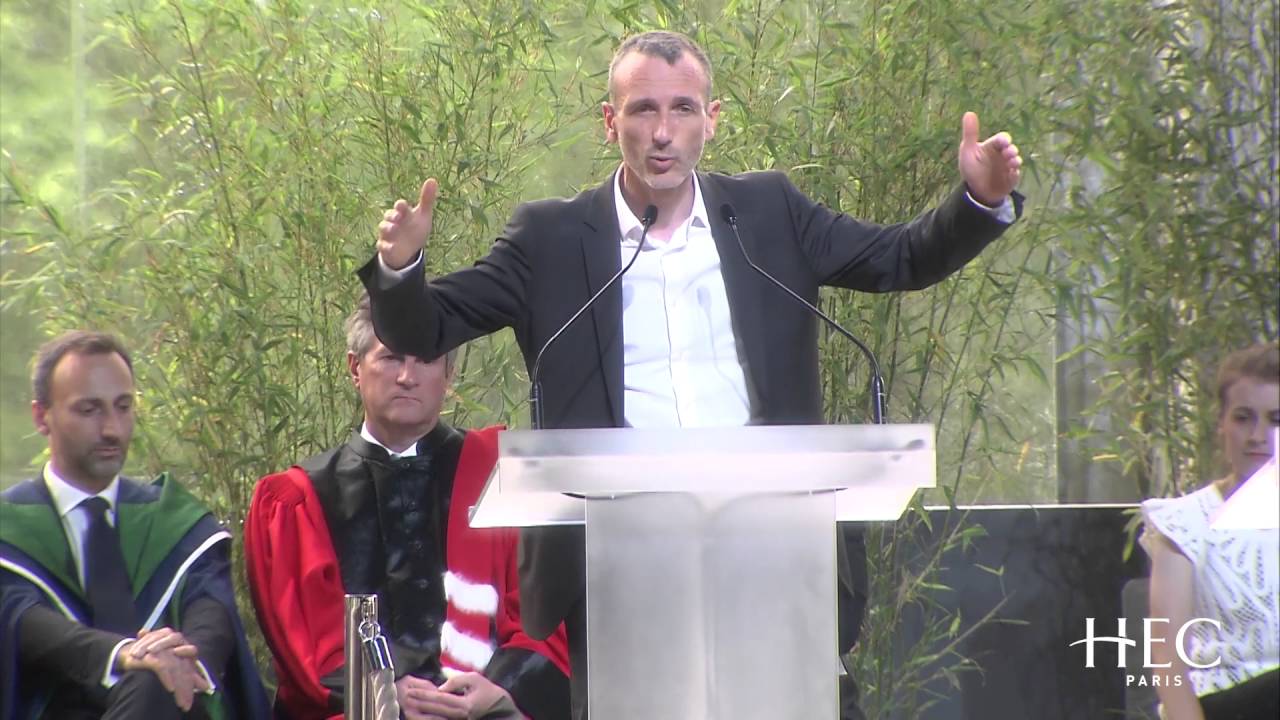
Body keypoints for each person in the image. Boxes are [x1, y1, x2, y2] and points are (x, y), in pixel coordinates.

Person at [358, 30, 1023, 719]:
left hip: (771, 536)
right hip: (619, 548)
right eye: (643, 110)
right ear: (610, 121)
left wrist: (976, 201)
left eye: (683, 109)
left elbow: (901, 259)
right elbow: (424, 329)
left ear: (713, 118)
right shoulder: (551, 238)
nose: (663, 133)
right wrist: (401, 269)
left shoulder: (768, 214)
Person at [244, 294, 571, 720]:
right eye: (390, 358)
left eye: (426, 360)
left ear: (449, 372)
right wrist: (384, 695)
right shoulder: (298, 500)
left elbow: (540, 620)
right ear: (353, 368)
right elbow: (306, 649)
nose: (407, 376)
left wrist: (499, 690)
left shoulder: (499, 476)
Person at [0, 331, 269, 719]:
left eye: (123, 407)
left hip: (168, 705)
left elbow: (212, 613)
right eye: (89, 410)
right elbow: (25, 624)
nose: (111, 428)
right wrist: (125, 655)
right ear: (42, 416)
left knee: (159, 681)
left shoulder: (175, 521)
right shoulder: (11, 531)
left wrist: (180, 660)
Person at [1141, 343, 1280, 720]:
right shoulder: (1184, 524)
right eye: (1243, 418)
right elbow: (1168, 663)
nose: (1258, 436)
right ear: (1221, 423)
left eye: (1275, 419)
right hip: (1224, 706)